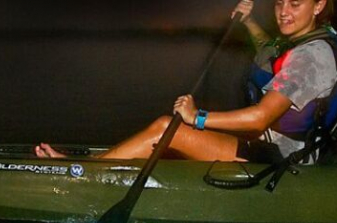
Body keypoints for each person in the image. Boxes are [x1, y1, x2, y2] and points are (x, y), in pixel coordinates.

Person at [36, 0, 336, 163]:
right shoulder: (304, 43)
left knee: (168, 128)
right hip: (266, 145)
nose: (284, 11)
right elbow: (270, 53)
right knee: (173, 134)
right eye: (279, 3)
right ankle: (106, 160)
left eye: (295, 4)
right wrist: (249, 23)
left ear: (319, 5)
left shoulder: (311, 57)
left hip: (281, 157)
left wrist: (199, 117)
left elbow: (259, 119)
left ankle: (81, 172)